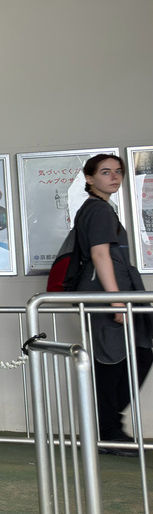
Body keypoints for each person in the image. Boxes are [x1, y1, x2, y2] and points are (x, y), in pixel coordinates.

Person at [73, 153, 152, 457]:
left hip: (115, 293)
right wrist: (116, 301)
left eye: (118, 171)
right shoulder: (98, 211)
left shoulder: (102, 209)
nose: (114, 176)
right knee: (112, 361)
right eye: (105, 172)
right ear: (90, 179)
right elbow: (100, 255)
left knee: (134, 356)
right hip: (108, 295)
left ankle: (107, 426)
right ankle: (107, 430)